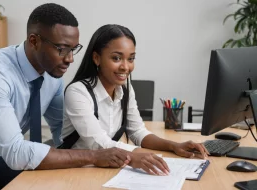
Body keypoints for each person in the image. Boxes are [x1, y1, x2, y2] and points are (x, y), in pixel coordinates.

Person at [0, 4, 134, 190]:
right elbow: (15, 151)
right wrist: (94, 156)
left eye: (73, 49)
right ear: (34, 41)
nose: (69, 59)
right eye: (61, 49)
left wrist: (104, 151)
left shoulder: (53, 75)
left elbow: (65, 133)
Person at [61, 24, 210, 175]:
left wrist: (173, 146)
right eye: (116, 58)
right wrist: (136, 156)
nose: (125, 66)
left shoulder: (125, 88)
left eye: (131, 58)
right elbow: (98, 144)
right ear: (96, 58)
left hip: (110, 169)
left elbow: (138, 131)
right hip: (77, 172)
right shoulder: (78, 92)